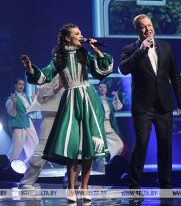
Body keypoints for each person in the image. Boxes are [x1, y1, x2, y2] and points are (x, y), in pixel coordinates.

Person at [21, 23, 113, 202]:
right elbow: (45, 75)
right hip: (71, 100)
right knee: (73, 147)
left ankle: (85, 188)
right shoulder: (59, 57)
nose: (81, 36)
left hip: (88, 99)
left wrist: (96, 50)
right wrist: (30, 68)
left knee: (89, 147)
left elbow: (103, 70)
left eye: (81, 33)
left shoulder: (84, 53)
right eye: (77, 33)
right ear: (67, 38)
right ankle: (71, 188)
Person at [119, 14, 181, 191]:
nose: (147, 29)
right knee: (141, 145)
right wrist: (141, 50)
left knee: (165, 145)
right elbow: (124, 69)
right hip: (142, 107)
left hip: (164, 105)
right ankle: (134, 186)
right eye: (142, 27)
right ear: (137, 30)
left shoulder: (166, 47)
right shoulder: (130, 49)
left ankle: (166, 185)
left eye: (149, 25)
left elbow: (175, 75)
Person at [19, 74, 64, 189]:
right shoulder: (49, 72)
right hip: (50, 116)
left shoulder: (73, 73)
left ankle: (71, 180)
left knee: (74, 148)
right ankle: (27, 181)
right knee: (41, 149)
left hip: (68, 116)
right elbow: (42, 90)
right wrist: (58, 87)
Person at [5, 78, 39, 162]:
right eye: (19, 84)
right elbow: (11, 112)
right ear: (15, 85)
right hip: (18, 122)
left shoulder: (26, 97)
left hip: (27, 121)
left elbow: (30, 110)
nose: (21, 86)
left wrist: (34, 101)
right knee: (17, 145)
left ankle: (31, 162)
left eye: (23, 84)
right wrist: (13, 103)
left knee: (34, 142)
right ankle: (10, 163)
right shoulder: (12, 97)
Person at [97, 83, 124, 159]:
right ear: (98, 89)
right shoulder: (95, 100)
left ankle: (111, 158)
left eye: (104, 87)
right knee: (100, 145)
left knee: (119, 144)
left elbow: (118, 107)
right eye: (100, 87)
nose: (102, 89)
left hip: (108, 125)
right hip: (99, 125)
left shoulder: (110, 100)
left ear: (106, 89)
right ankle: (102, 160)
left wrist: (116, 96)